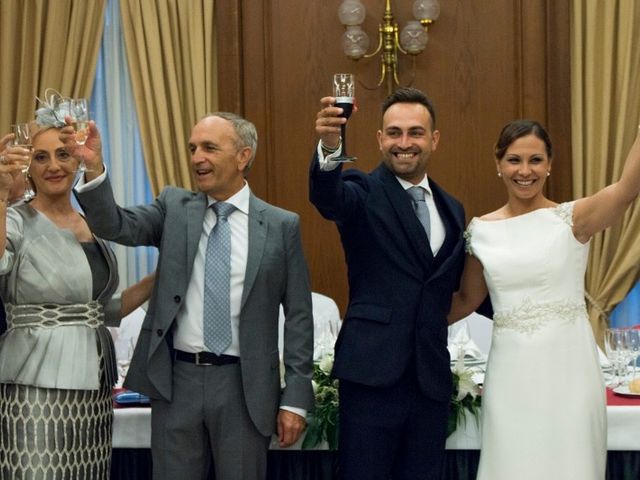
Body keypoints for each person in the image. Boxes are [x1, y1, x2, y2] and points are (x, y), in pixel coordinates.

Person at [70, 112, 315, 480]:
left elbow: (298, 316)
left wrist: (296, 397)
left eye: (209, 148)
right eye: (192, 148)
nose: (197, 157)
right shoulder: (174, 208)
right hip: (176, 382)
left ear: (243, 156)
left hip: (244, 388)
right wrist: (94, 169)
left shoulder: (281, 226)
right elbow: (114, 225)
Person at [448, 120, 640, 479]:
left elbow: (628, 188)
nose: (525, 171)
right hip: (510, 376)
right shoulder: (480, 231)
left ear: (549, 164)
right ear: (498, 163)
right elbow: (465, 300)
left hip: (570, 373)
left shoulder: (573, 219)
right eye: (514, 160)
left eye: (535, 160)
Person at [310, 87, 466, 479]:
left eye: (415, 132)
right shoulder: (362, 191)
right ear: (380, 139)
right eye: (394, 133)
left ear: (434, 140)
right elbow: (327, 198)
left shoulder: (453, 208)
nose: (404, 143)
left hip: (429, 382)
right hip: (371, 378)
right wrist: (330, 148)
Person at [0, 104, 155, 479]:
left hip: (95, 385)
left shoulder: (93, 223)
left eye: (63, 154)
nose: (53, 165)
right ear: (29, 167)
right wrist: (2, 196)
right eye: (41, 157)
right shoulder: (15, 219)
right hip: (34, 385)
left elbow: (105, 310)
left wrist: (164, 277)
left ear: (77, 160)